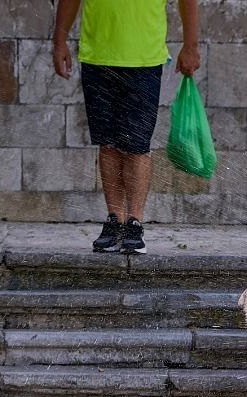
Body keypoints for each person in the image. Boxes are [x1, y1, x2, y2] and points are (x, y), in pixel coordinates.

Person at [53, 0, 200, 254]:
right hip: (98, 56)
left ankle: (134, 223)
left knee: (137, 146)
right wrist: (59, 42)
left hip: (144, 59)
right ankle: (115, 220)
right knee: (107, 143)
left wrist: (190, 46)